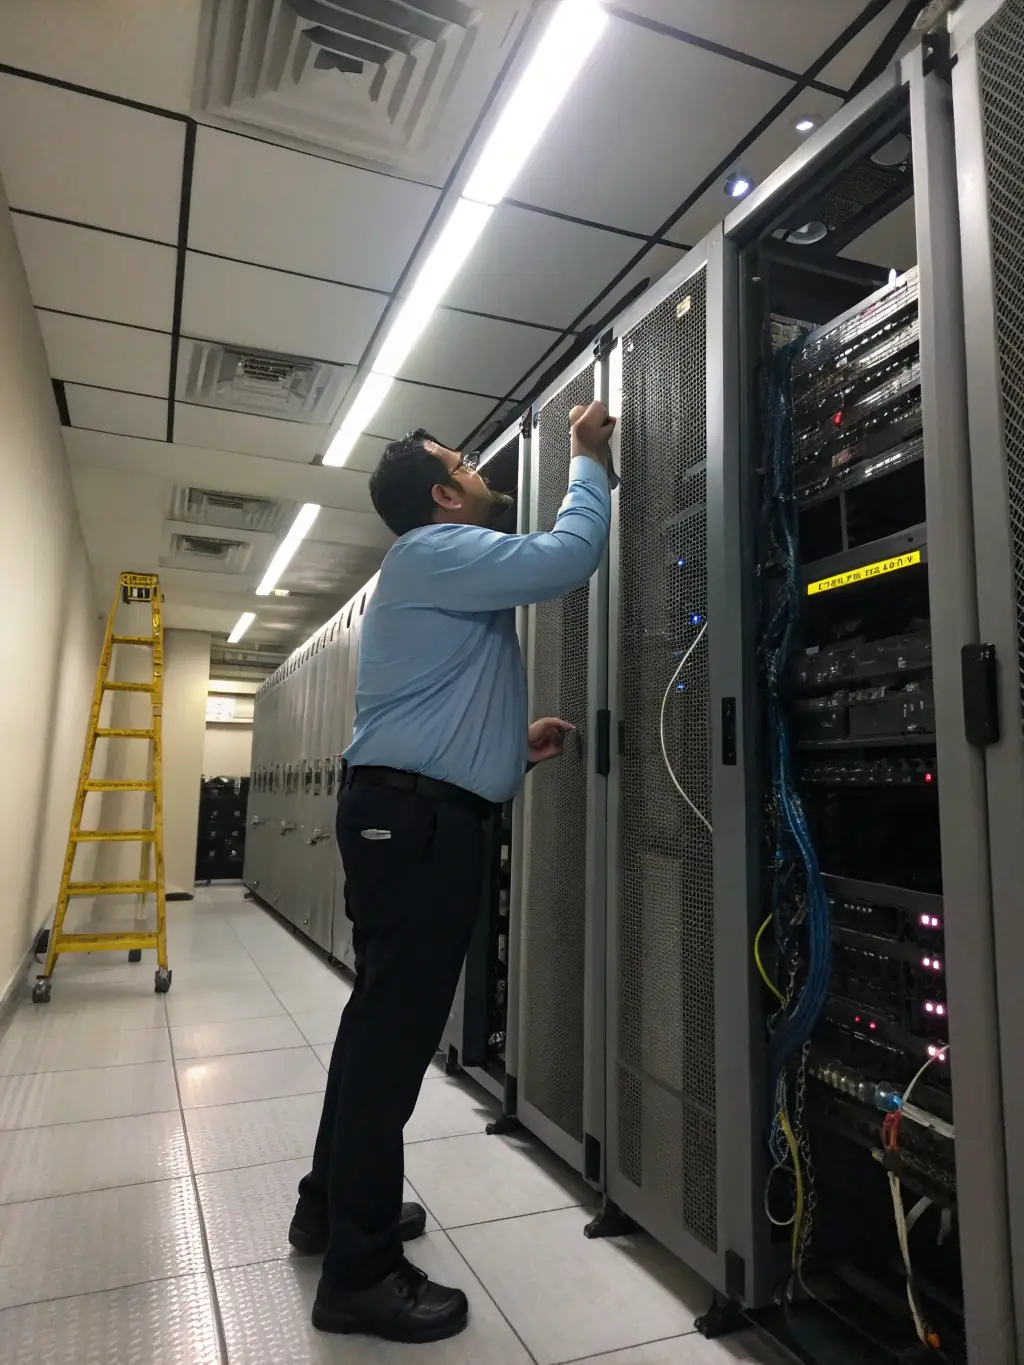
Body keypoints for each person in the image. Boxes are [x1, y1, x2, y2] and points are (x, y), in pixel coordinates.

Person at [289, 401, 616, 1343]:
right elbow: (567, 558)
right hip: (417, 829)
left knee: (372, 1031)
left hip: (408, 815)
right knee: (391, 1045)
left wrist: (508, 749)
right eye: (464, 461)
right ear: (444, 495)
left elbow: (434, 708)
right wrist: (587, 459)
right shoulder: (435, 551)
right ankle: (359, 1274)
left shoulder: (432, 571)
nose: (477, 467)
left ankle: (332, 1206)